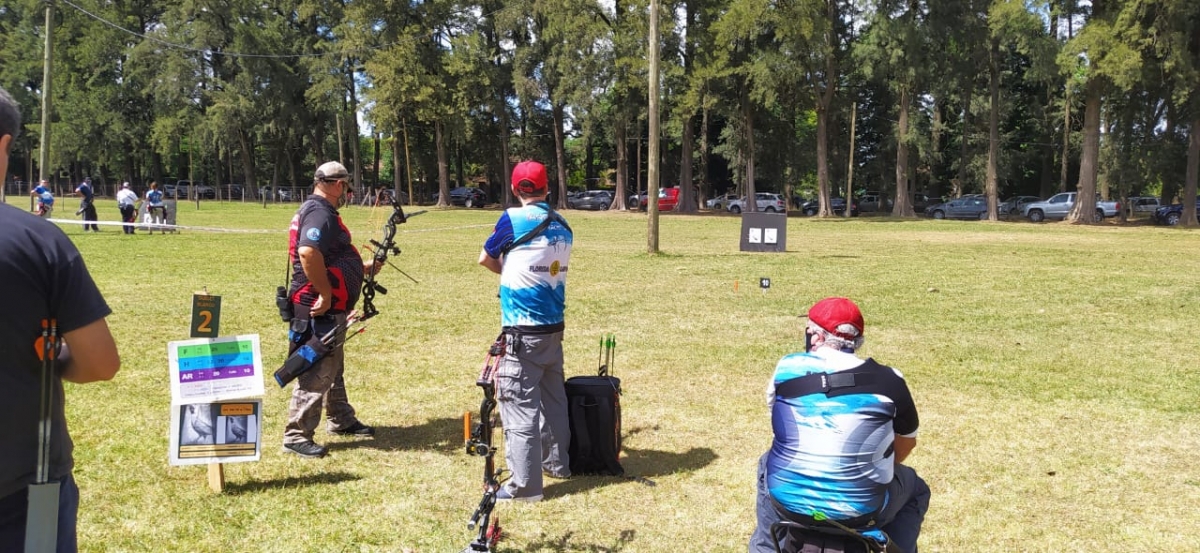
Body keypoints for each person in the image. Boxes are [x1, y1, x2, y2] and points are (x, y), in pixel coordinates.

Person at [0, 86, 121, 553]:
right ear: (6, 145)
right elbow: (100, 363)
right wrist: (57, 358)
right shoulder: (40, 244)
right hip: (22, 491)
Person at [749, 297, 930, 553]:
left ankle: (767, 548)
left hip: (787, 504)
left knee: (766, 464)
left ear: (815, 337)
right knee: (916, 489)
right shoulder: (891, 380)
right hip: (861, 511)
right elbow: (907, 442)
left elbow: (781, 421)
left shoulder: (787, 367)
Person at [477, 160, 573, 502]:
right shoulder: (564, 224)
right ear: (548, 188)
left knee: (517, 407)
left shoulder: (513, 218)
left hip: (521, 331)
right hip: (553, 328)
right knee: (553, 401)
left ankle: (525, 487)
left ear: (517, 189)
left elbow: (486, 258)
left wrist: (509, 275)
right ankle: (557, 464)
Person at [281, 161, 378, 458]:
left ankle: (341, 418)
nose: (347, 193)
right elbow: (308, 253)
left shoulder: (314, 209)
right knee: (317, 366)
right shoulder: (321, 212)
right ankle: (296, 434)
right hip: (317, 303)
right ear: (337, 185)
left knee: (332, 363)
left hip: (325, 302)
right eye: (346, 187)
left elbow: (326, 257)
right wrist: (324, 293)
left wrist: (359, 269)